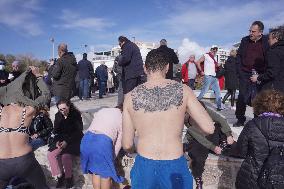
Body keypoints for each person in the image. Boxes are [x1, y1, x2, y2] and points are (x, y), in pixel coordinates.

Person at [122, 49, 215, 189]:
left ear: (145, 68)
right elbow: (209, 128)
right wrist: (187, 120)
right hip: (174, 165)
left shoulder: (130, 97)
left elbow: (127, 144)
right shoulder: (184, 90)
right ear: (167, 67)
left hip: (144, 167)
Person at [0, 66, 50, 189]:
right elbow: (46, 95)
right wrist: (38, 76)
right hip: (24, 161)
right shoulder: (27, 110)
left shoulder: (1, 111)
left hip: (2, 163)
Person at [235, 90, 284, 189]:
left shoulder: (252, 125)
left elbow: (240, 151)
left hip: (252, 177)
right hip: (279, 178)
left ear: (259, 105)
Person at [184, 101, 235, 189]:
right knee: (198, 156)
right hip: (196, 140)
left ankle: (224, 144)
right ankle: (198, 179)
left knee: (219, 126)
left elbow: (221, 120)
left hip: (208, 135)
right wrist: (213, 147)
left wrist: (228, 135)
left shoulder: (205, 110)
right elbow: (200, 138)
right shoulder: (189, 119)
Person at [234, 21, 270, 127]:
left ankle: (256, 119)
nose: (250, 33)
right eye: (250, 30)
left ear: (260, 32)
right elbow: (239, 56)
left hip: (260, 74)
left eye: (253, 31)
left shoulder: (266, 41)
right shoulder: (245, 40)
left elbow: (269, 57)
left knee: (258, 97)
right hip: (245, 73)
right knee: (242, 97)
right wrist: (239, 71)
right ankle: (240, 119)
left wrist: (264, 74)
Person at [80, 107, 124, 189]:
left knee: (96, 172)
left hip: (86, 139)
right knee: (106, 176)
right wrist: (112, 157)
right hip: (101, 142)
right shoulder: (122, 116)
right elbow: (120, 141)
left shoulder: (103, 110)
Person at [47, 99, 83, 188]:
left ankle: (69, 178)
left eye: (64, 108)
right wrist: (56, 142)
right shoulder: (58, 116)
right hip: (62, 140)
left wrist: (67, 141)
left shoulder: (75, 115)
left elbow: (78, 131)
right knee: (51, 155)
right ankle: (60, 176)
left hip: (74, 140)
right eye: (60, 109)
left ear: (69, 106)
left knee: (65, 156)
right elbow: (56, 131)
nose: (63, 111)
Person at [251, 26, 284, 93]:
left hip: (274, 90)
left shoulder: (273, 52)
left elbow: (272, 73)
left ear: (276, 38)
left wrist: (258, 77)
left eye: (269, 39)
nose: (268, 41)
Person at [196, 45, 223, 111]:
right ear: (211, 49)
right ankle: (195, 103)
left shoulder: (214, 58)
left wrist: (218, 65)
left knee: (218, 92)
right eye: (214, 49)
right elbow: (198, 62)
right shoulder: (206, 55)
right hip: (208, 76)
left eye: (216, 49)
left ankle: (219, 107)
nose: (215, 50)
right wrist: (201, 71)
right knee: (204, 91)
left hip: (214, 77)